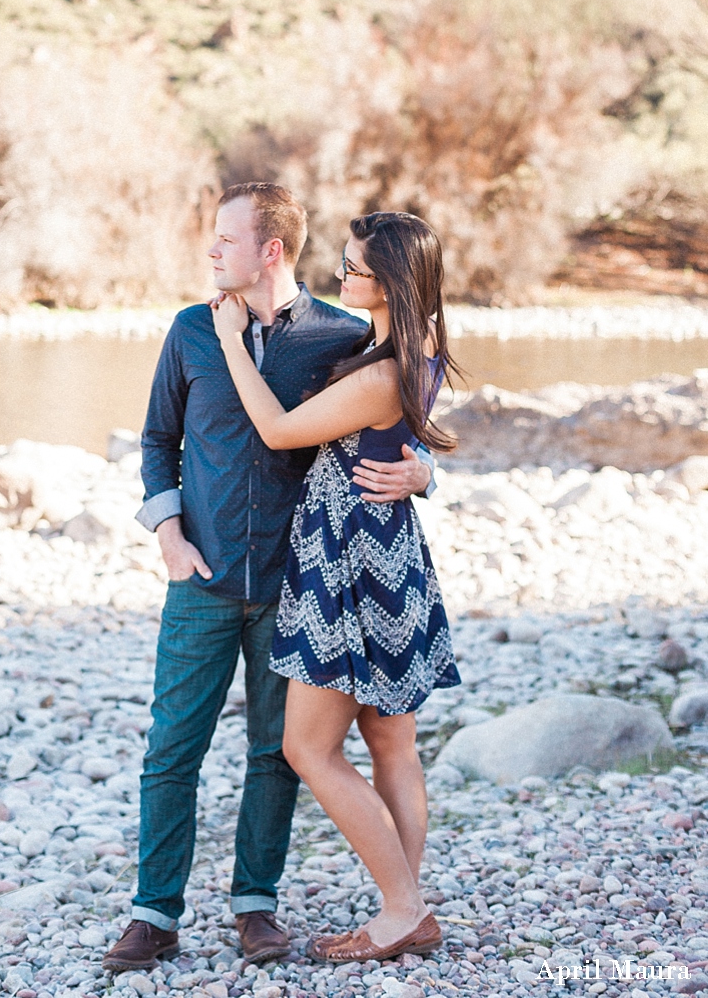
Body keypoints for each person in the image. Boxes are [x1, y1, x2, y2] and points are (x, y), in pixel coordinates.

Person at [102, 185, 435, 974]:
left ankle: (256, 905)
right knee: (171, 748)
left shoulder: (340, 336)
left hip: (302, 586)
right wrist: (167, 532)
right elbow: (157, 438)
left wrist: (423, 474)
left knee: (276, 752)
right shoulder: (188, 330)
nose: (212, 251)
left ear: (271, 249)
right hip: (202, 577)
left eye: (225, 238)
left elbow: (392, 423)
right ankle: (154, 913)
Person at [209, 211, 460, 965]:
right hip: (389, 554)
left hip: (348, 556)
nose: (341, 277)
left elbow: (281, 430)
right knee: (391, 744)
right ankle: (401, 906)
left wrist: (228, 340)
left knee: (306, 746)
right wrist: (424, 471)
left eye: (353, 267)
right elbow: (406, 441)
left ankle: (402, 909)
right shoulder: (418, 349)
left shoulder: (382, 370)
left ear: (389, 280)